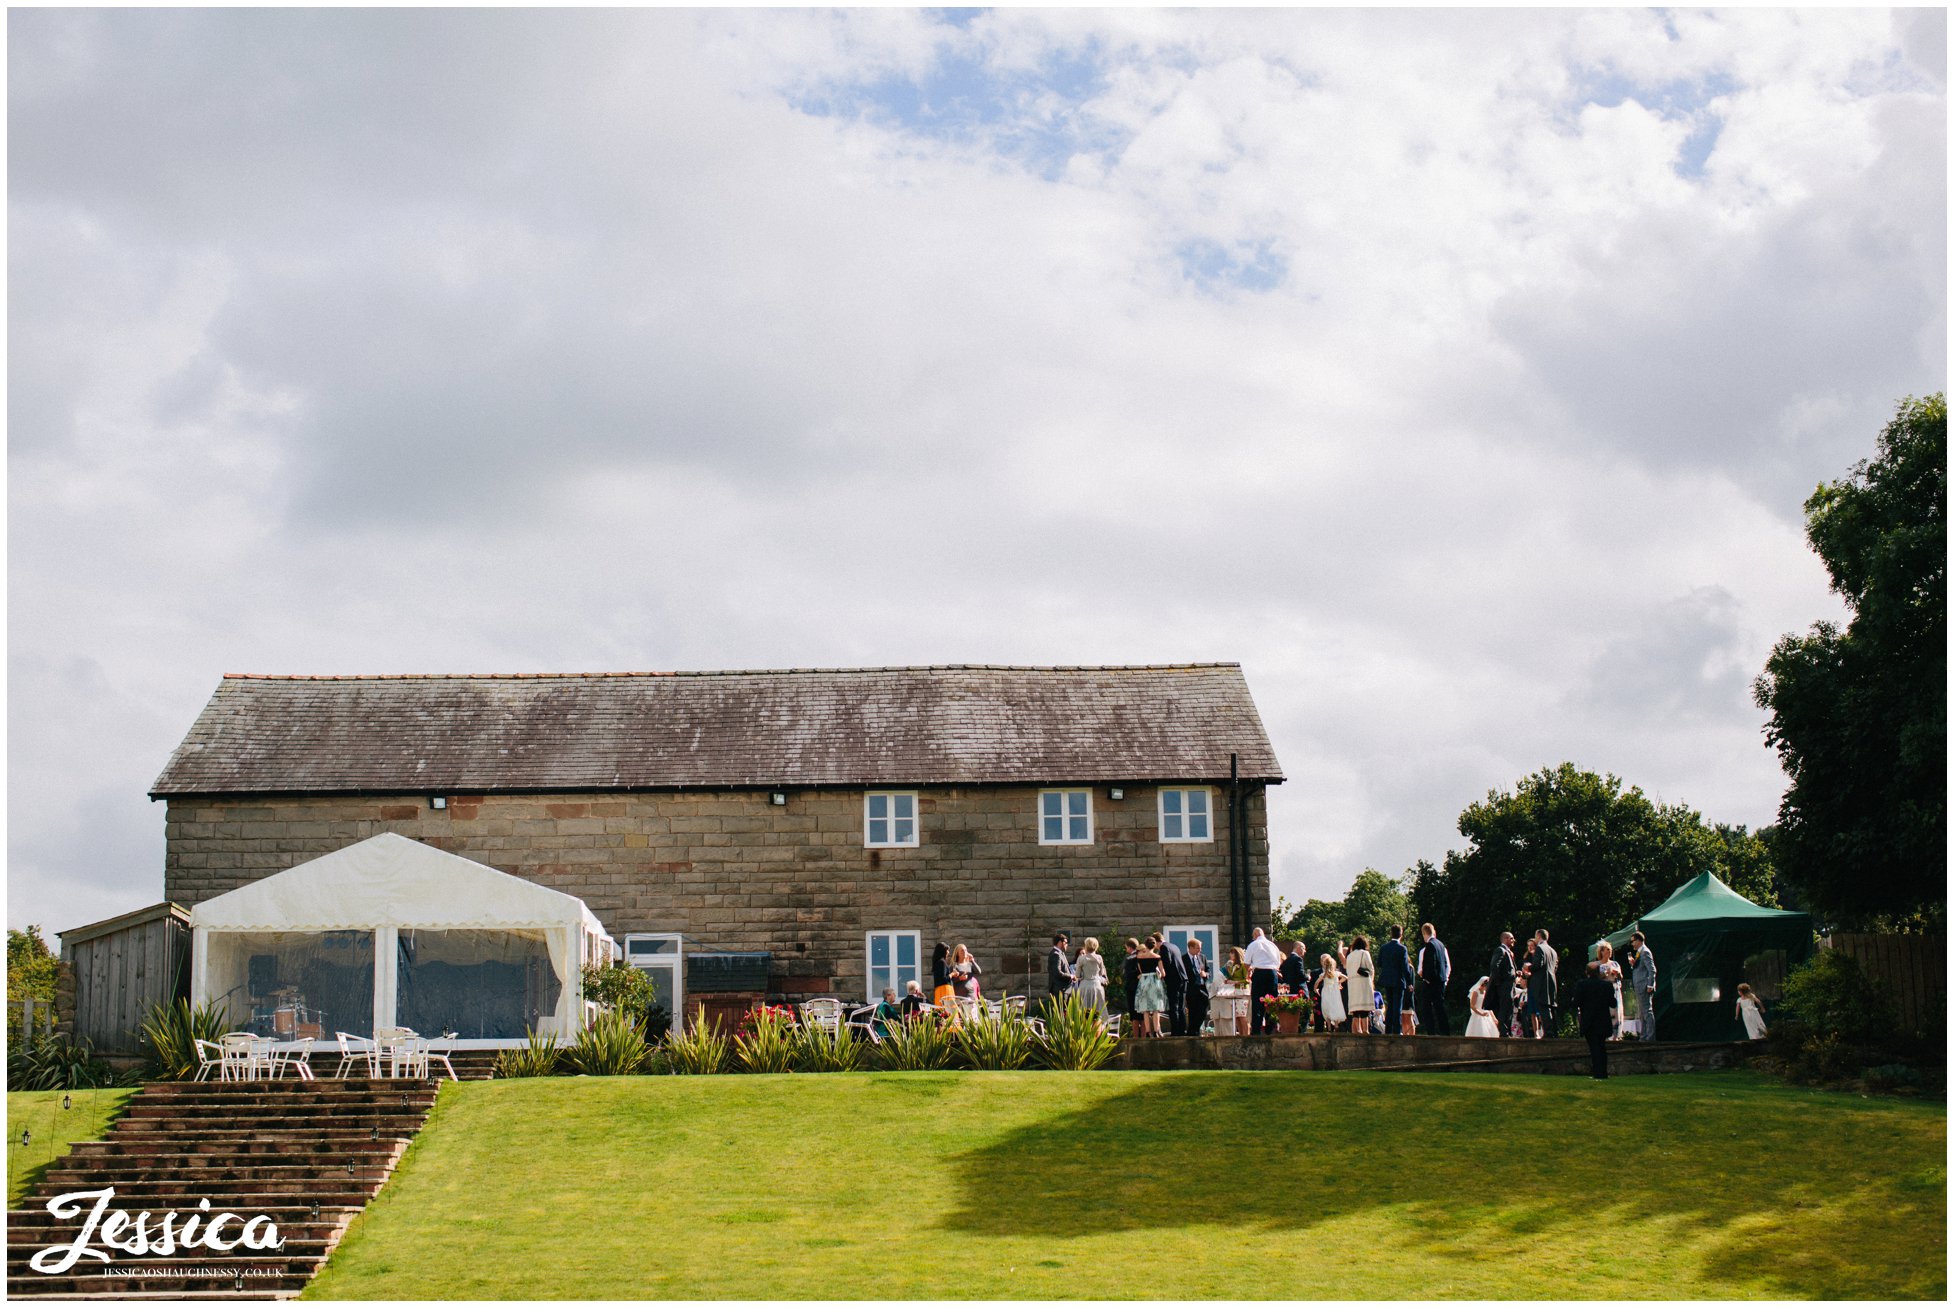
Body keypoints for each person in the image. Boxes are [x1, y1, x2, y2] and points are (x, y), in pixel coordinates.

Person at [1574, 961, 1618, 1079]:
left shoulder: (1581, 985)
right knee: (1601, 1047)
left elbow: (1576, 1002)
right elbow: (1613, 1003)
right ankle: (1603, 1072)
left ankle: (1598, 1073)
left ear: (1587, 973)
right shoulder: (1607, 985)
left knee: (1594, 1047)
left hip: (1589, 1021)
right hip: (1603, 1020)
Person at [1242, 928, 1282, 1035]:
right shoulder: (1273, 945)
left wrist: (1246, 975)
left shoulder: (1253, 945)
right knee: (1271, 1002)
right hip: (1272, 974)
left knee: (1257, 1002)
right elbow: (1278, 963)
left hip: (1259, 973)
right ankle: (1271, 1029)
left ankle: (1256, 1031)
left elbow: (1246, 963)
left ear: (1255, 935)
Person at [1378, 925, 1415, 1037]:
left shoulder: (1384, 948)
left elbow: (1379, 963)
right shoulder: (1402, 948)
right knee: (1397, 1006)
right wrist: (1409, 983)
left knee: (1390, 1005)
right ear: (1401, 934)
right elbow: (1405, 967)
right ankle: (1396, 1030)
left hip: (1387, 979)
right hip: (1398, 980)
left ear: (1391, 933)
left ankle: (1388, 1029)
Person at [1416, 923, 1452, 1036]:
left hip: (1431, 982)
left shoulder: (1429, 946)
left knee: (1427, 1008)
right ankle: (1445, 1031)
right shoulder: (1441, 945)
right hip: (1441, 981)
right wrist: (1445, 979)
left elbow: (1429, 965)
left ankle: (1431, 1032)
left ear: (1424, 934)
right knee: (1440, 1007)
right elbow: (1446, 965)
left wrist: (1425, 977)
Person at [1154, 932, 1189, 1037]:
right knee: (1181, 1007)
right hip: (1183, 978)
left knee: (1174, 1006)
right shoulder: (1174, 946)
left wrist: (1161, 971)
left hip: (1174, 980)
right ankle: (1182, 1030)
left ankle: (1175, 1032)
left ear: (1156, 941)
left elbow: (1167, 962)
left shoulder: (1164, 948)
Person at [1526, 929, 1558, 1037]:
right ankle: (1554, 1031)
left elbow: (1537, 965)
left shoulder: (1540, 948)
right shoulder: (1552, 950)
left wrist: (1528, 967)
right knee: (1551, 1006)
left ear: (1538, 936)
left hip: (1541, 982)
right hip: (1552, 981)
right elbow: (1555, 967)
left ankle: (1548, 1032)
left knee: (1543, 1007)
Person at [1133, 938, 1167, 1037]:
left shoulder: (1139, 957)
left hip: (1144, 981)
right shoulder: (1157, 957)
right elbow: (1163, 973)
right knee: (1156, 1008)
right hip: (1154, 981)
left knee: (1145, 1009)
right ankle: (1156, 1030)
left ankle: (1148, 1032)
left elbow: (1140, 971)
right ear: (1154, 945)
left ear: (1145, 945)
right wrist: (1159, 974)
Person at [1628, 932, 1657, 1040]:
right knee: (1642, 1013)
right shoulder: (1639, 953)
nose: (1632, 944)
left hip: (1644, 986)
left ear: (1639, 940)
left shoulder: (1645, 952)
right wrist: (1633, 965)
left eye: (1633, 941)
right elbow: (1641, 969)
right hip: (1639, 986)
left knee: (1647, 1012)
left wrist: (1650, 985)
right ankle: (1644, 1036)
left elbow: (1652, 970)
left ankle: (1650, 1037)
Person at [1489, 931, 1519, 1040]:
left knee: (1509, 1008)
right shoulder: (1500, 950)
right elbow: (1494, 966)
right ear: (1506, 939)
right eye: (1511, 938)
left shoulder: (1508, 951)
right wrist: (1499, 982)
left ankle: (1507, 1031)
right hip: (1504, 985)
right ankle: (1503, 1031)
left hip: (1510, 984)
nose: (1513, 940)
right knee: (1504, 1008)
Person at [1345, 935, 1376, 1034]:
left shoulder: (1349, 956)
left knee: (1355, 1010)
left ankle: (1356, 1031)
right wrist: (1372, 981)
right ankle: (1365, 1030)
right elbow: (1370, 969)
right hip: (1363, 983)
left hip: (1352, 984)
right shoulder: (1365, 953)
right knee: (1364, 1009)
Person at [1595, 940, 1625, 1040]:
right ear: (1602, 952)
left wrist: (1618, 974)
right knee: (1606, 1013)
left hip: (1615, 990)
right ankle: (1605, 1035)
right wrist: (1606, 973)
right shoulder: (1598, 965)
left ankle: (1616, 1036)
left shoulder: (1615, 964)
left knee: (1616, 1012)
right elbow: (1596, 978)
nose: (1609, 952)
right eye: (1607, 950)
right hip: (1604, 991)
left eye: (1610, 950)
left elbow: (1621, 977)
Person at [1183, 937, 1212, 1036]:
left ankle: (1193, 1030)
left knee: (1204, 1010)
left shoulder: (1202, 957)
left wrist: (1205, 974)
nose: (1200, 950)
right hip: (1191, 989)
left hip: (1202, 988)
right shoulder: (1184, 959)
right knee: (1193, 1012)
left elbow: (1209, 971)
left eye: (1200, 948)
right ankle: (1193, 1033)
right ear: (1190, 948)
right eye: (1197, 948)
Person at [1075, 937, 1108, 1016]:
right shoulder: (1099, 957)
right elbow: (1102, 973)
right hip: (1096, 985)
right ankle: (1098, 1028)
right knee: (1098, 1011)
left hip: (1084, 985)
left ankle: (1086, 1027)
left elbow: (1077, 975)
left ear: (1086, 946)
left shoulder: (1081, 959)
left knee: (1084, 1011)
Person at [1316, 953, 1347, 1028]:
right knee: (1335, 1006)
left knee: (1327, 1007)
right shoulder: (1336, 973)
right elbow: (1346, 977)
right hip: (1335, 992)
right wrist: (1339, 983)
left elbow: (1316, 983)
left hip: (1326, 992)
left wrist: (1315, 989)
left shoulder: (1323, 974)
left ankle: (1329, 1026)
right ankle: (1336, 1024)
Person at [1047, 932, 1077, 1001]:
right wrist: (1071, 976)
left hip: (1064, 989)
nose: (1067, 945)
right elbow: (1058, 972)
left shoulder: (1060, 953)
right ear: (1060, 942)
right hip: (1060, 990)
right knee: (1061, 1011)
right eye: (1066, 943)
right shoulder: (1056, 954)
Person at [1122, 938, 1142, 1028]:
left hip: (1132, 988)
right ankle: (1143, 1036)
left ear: (1130, 947)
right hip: (1142, 988)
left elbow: (1127, 974)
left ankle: (1136, 1037)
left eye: (1126, 948)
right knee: (1142, 1015)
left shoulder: (1130, 959)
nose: (1126, 950)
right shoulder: (1142, 956)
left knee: (1134, 1015)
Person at [931, 942, 956, 1009]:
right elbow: (944, 979)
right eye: (947, 950)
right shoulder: (942, 962)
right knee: (949, 1010)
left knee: (941, 1011)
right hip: (945, 990)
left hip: (939, 990)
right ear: (943, 951)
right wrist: (952, 974)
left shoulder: (937, 962)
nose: (948, 952)